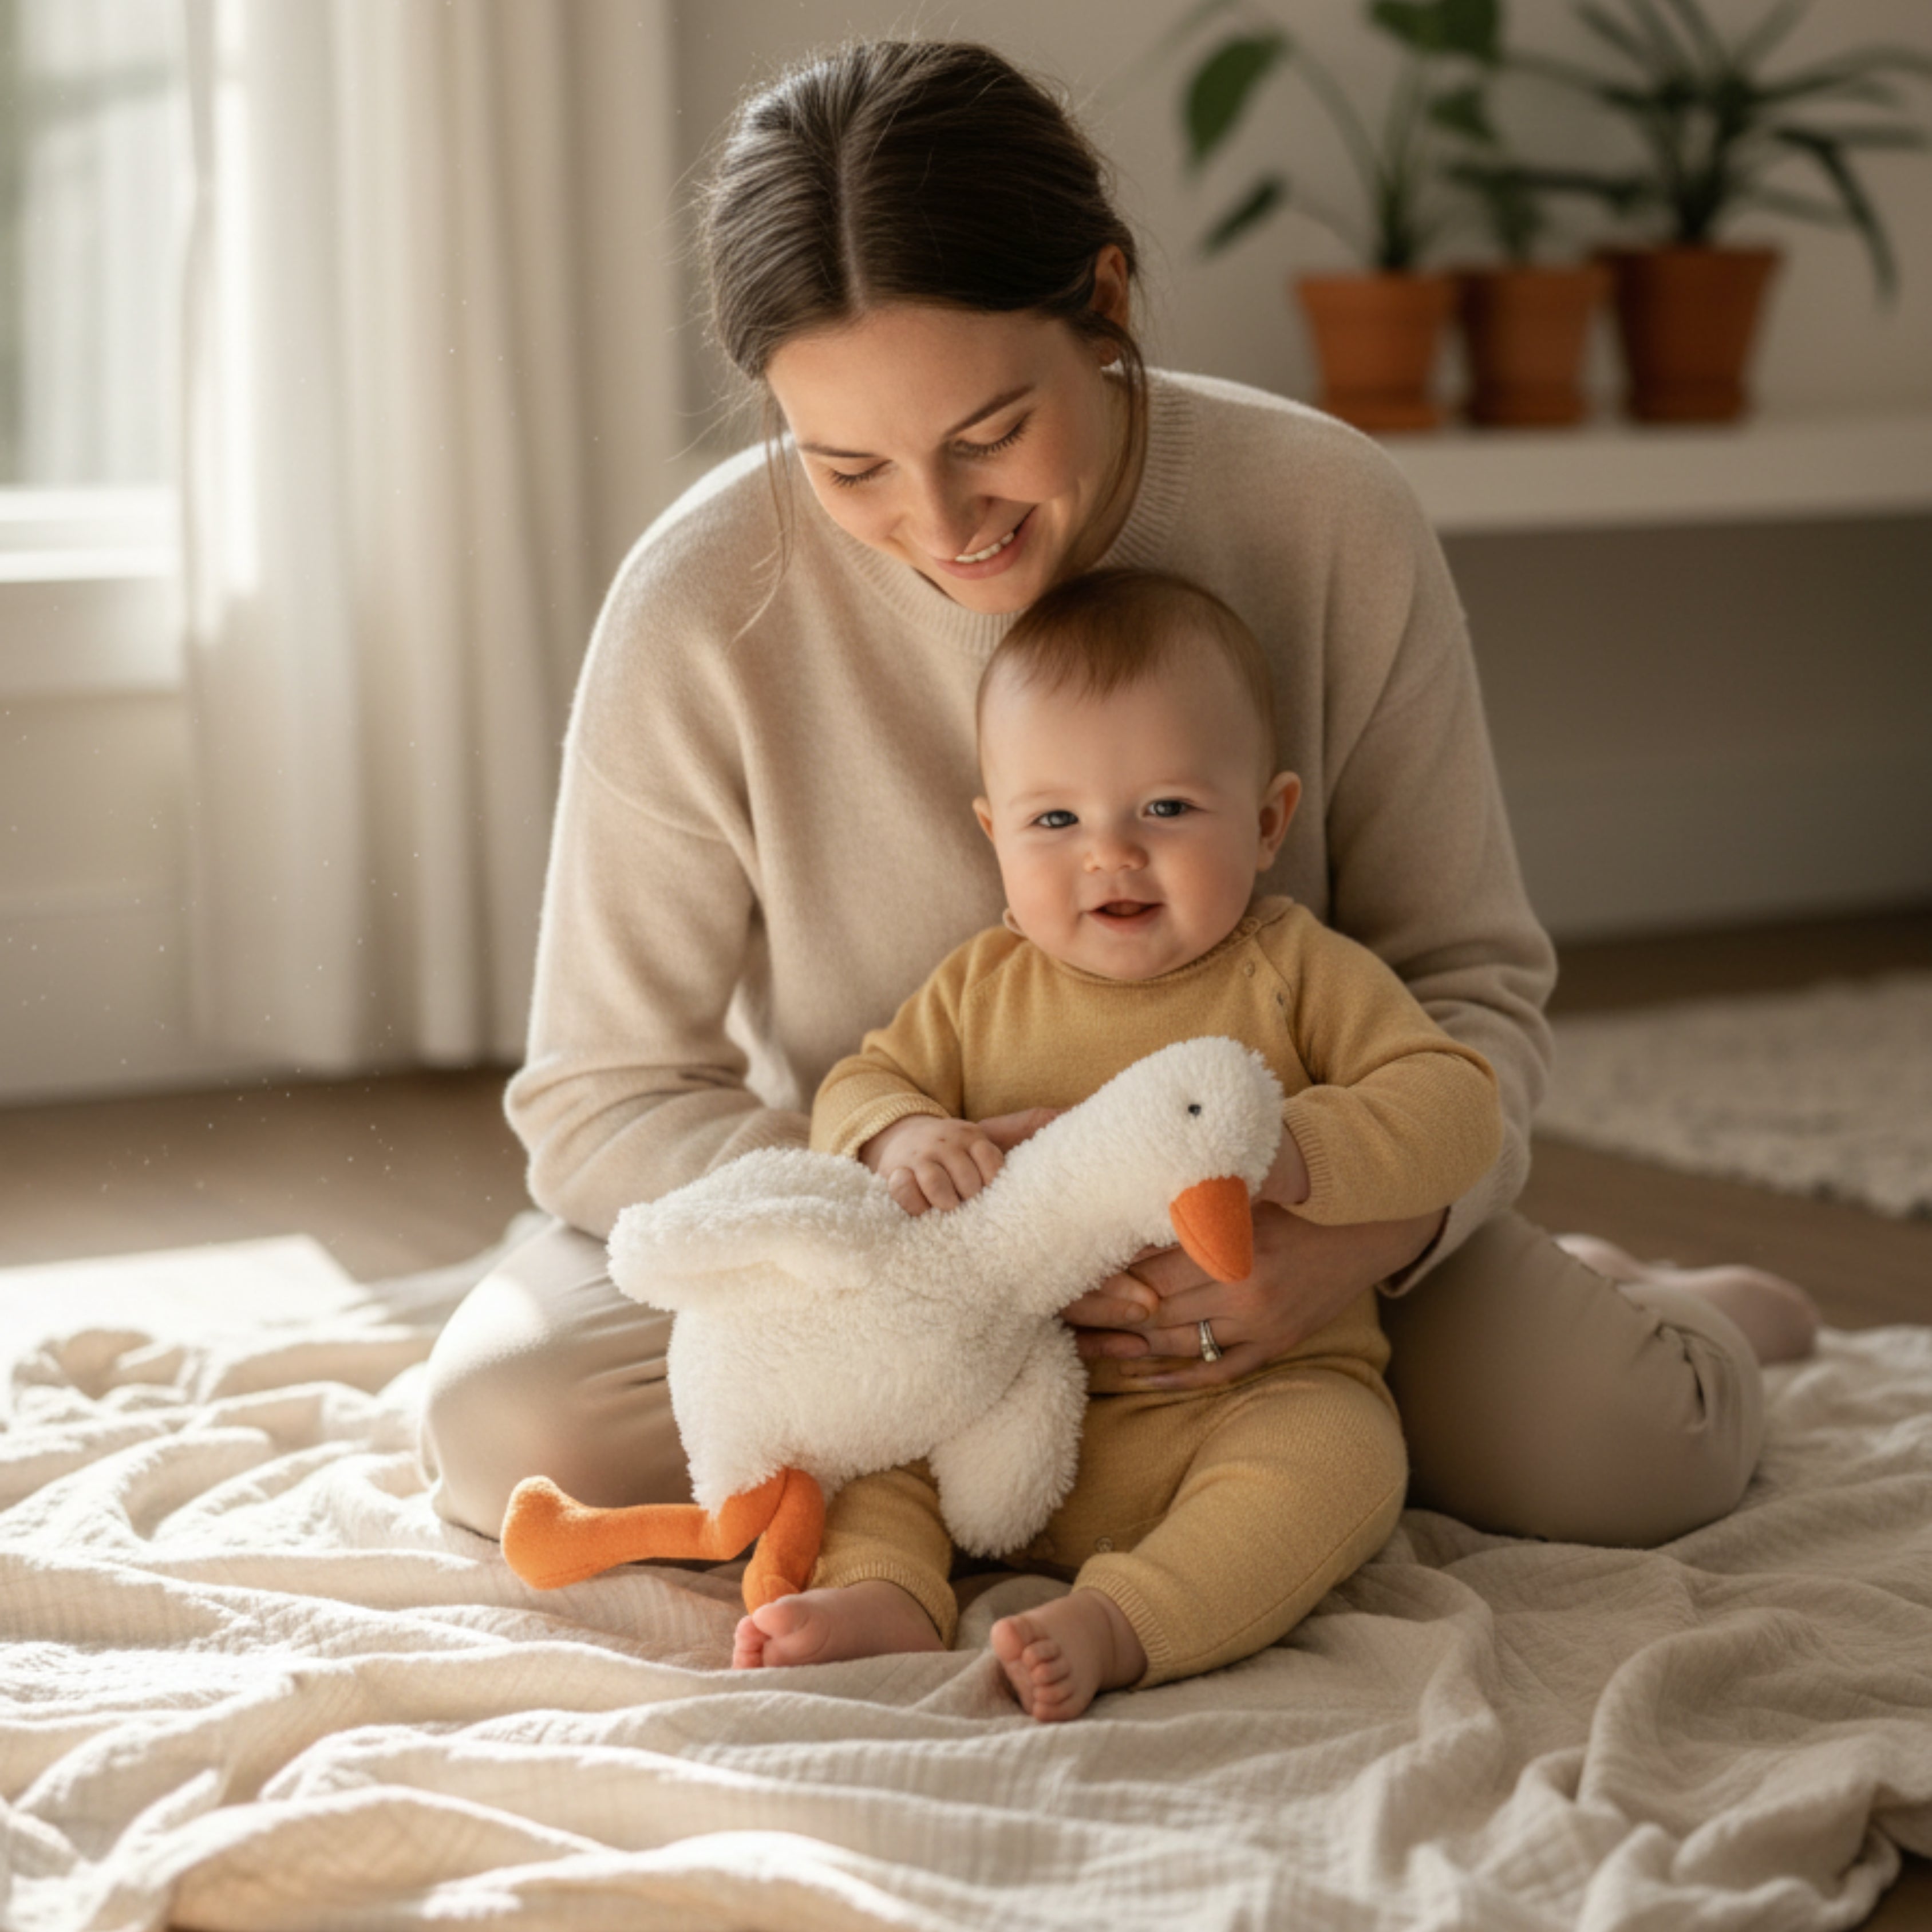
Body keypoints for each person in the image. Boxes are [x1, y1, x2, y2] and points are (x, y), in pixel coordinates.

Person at [417, 38, 1818, 1578]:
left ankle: (1672, 1302)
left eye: (988, 435)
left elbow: (1474, 989)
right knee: (506, 1429)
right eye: (848, 465)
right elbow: (600, 1095)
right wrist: (907, 1236)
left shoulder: (1329, 517)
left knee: (1628, 1445)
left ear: (1108, 301)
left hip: (1268, 1251)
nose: (937, 525)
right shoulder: (695, 602)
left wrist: (1361, 1238)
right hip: (871, 1257)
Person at [730, 566, 1502, 1720]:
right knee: (869, 1436)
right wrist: (899, 1134)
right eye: (1055, 820)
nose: (1110, 854)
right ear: (994, 834)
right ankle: (886, 1588)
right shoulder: (979, 986)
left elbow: (1454, 1100)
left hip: (1244, 1393)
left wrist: (1291, 1152)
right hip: (996, 1397)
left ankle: (1131, 1617)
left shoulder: (1293, 970)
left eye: (1166, 809)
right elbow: (860, 1078)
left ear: (1267, 818)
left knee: (1341, 1463)